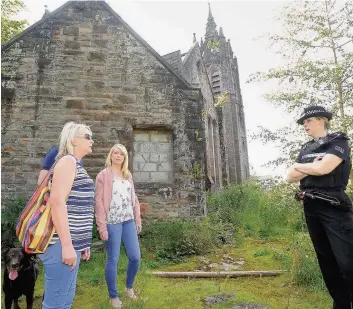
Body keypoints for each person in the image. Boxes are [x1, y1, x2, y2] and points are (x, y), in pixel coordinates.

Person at [287, 105, 353, 309]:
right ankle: (341, 305)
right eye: (303, 122)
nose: (304, 125)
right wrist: (308, 167)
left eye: (308, 121)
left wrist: (303, 167)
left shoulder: (338, 142)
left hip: (334, 206)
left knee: (347, 261)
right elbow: (288, 177)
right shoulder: (305, 149)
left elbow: (325, 167)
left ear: (321, 120)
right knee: (327, 262)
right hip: (311, 207)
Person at [38, 122, 95, 309]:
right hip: (60, 245)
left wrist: (82, 243)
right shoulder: (67, 161)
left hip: (71, 243)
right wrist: (68, 247)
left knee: (64, 302)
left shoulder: (75, 164)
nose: (91, 140)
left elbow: (76, 207)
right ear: (73, 140)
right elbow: (57, 203)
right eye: (87, 136)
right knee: (55, 304)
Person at [95, 144, 142, 308]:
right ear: (111, 155)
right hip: (112, 222)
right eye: (115, 153)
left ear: (124, 157)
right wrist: (102, 227)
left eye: (121, 153)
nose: (118, 156)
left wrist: (138, 219)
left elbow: (134, 199)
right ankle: (113, 296)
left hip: (128, 220)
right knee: (113, 259)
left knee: (135, 257)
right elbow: (99, 203)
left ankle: (129, 288)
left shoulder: (127, 175)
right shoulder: (103, 175)